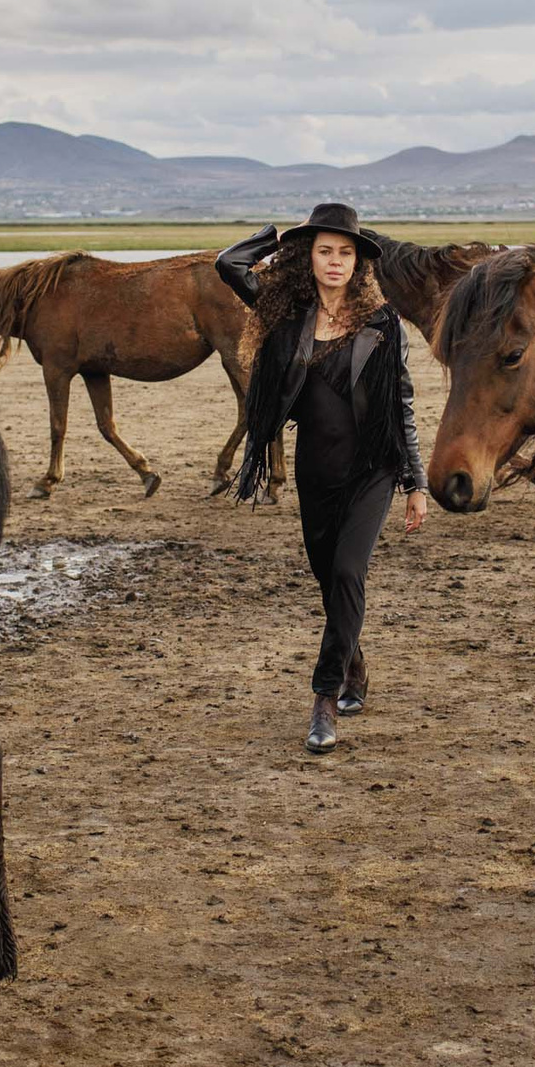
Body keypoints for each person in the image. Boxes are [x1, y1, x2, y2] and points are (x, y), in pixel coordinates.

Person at [216, 204, 427, 754]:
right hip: (316, 469)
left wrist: (415, 482)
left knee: (349, 573)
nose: (335, 261)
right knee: (328, 579)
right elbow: (230, 263)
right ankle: (353, 662)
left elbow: (401, 404)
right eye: (324, 250)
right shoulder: (289, 317)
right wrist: (277, 238)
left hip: (372, 470)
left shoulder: (382, 324)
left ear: (359, 263)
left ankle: (324, 698)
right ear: (307, 258)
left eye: (345, 252)